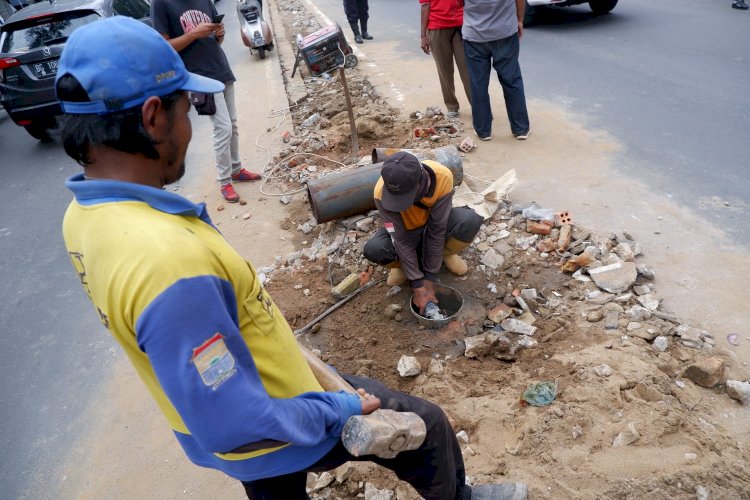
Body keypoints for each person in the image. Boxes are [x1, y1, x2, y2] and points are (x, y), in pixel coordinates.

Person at [56, 17, 527, 500]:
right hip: (278, 421)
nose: (193, 121)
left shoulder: (84, 215)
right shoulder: (166, 260)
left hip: (251, 421)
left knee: (274, 489)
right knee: (426, 426)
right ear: (152, 116)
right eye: (188, 105)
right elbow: (235, 421)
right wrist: (338, 410)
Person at [151, 0, 262, 203]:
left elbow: (212, 40)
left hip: (220, 67)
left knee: (233, 125)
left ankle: (236, 169)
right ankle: (225, 181)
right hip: (198, 75)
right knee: (223, 128)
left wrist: (218, 34)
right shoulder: (161, 3)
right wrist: (193, 34)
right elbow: (163, 48)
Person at [363, 152, 483, 314]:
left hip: (433, 227)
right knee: (375, 248)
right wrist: (417, 283)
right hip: (406, 232)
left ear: (421, 180)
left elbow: (437, 230)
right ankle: (402, 266)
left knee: (470, 220)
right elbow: (400, 239)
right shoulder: (381, 192)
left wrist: (429, 277)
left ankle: (445, 254)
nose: (401, 204)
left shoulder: (442, 177)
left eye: (404, 197)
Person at [461, 0, 530, 141]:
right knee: (511, 80)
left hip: (474, 36)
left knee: (478, 83)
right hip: (505, 33)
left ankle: (483, 130)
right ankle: (520, 128)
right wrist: (520, 20)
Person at [419, 0, 472, 119]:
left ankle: (478, 105)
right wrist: (423, 35)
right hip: (437, 28)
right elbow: (425, 5)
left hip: (462, 26)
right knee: (444, 70)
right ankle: (452, 106)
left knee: (468, 69)